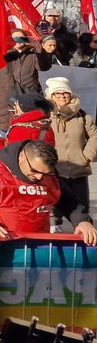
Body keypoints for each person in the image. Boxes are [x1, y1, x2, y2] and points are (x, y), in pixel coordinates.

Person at [0, 139, 97, 244]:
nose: (39, 177)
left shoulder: (49, 174)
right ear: (22, 156)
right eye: (34, 171)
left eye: (45, 173)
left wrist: (82, 221)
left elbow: (68, 201)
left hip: (39, 245)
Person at [44, 76, 97, 231]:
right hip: (55, 168)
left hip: (78, 167)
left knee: (82, 202)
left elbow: (94, 136)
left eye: (65, 93)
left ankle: (83, 227)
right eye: (57, 93)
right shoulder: (46, 115)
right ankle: (56, 224)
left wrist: (87, 156)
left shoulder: (83, 116)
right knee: (55, 198)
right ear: (51, 96)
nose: (62, 96)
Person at [0, 29, 48, 132]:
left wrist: (38, 48)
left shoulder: (33, 54)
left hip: (27, 99)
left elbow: (44, 66)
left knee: (26, 132)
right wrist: (6, 46)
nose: (18, 41)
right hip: (5, 100)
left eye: (21, 38)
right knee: (5, 133)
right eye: (14, 39)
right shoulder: (4, 53)